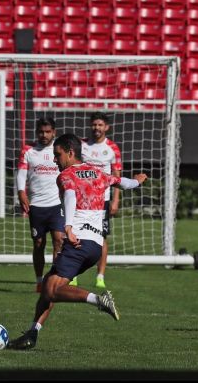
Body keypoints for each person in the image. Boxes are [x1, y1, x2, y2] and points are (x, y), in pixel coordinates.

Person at [9, 133, 147, 350]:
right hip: (95, 246)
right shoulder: (99, 173)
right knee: (48, 285)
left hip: (78, 241)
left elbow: (71, 195)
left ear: (70, 153)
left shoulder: (66, 175)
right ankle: (32, 333)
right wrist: (138, 182)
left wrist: (69, 226)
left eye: (58, 155)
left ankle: (99, 301)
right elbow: (123, 183)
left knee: (53, 290)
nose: (55, 160)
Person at [72, 112, 122, 290]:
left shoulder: (112, 148)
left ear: (106, 127)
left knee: (101, 237)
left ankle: (100, 276)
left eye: (100, 125)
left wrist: (115, 200)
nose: (97, 128)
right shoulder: (81, 145)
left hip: (103, 201)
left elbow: (117, 176)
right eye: (94, 124)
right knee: (76, 234)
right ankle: (74, 274)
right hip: (81, 200)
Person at [16, 117, 64, 293]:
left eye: (48, 131)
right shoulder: (28, 151)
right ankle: (38, 280)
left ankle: (54, 279)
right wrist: (21, 192)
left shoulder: (60, 150)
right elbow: (21, 173)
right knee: (38, 243)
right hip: (36, 205)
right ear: (37, 132)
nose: (44, 135)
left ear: (54, 132)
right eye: (41, 132)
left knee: (59, 240)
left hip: (57, 204)